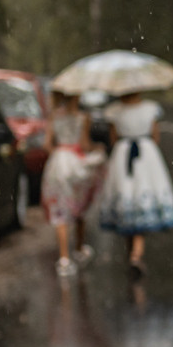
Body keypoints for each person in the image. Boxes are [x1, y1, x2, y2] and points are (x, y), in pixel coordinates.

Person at [98, 88, 173, 275]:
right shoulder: (150, 108)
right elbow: (156, 136)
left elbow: (112, 138)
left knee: (127, 199)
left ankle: (132, 253)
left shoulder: (114, 111)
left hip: (122, 155)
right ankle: (136, 255)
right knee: (142, 200)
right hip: (146, 155)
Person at [41, 91, 103, 276]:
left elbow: (46, 144)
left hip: (58, 164)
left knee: (60, 208)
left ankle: (64, 258)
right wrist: (96, 148)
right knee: (78, 205)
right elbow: (84, 144)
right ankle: (79, 247)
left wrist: (59, 153)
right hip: (75, 163)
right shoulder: (83, 118)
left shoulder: (54, 116)